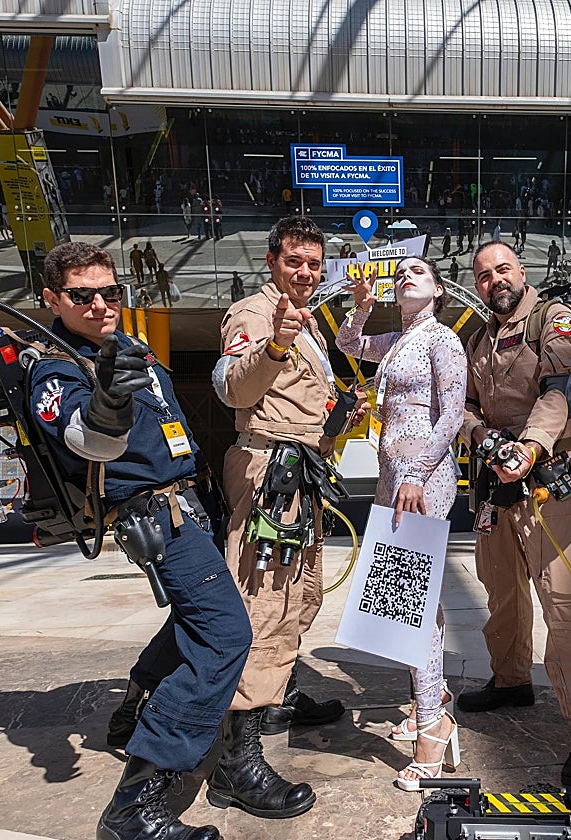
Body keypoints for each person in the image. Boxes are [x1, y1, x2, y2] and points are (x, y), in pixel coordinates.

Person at [30, 241, 251, 840]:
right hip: (155, 515)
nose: (101, 304)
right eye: (83, 295)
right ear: (53, 298)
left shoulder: (131, 349)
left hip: (192, 501)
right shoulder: (55, 365)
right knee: (226, 633)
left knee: (197, 620)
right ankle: (134, 804)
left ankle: (133, 708)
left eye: (111, 292)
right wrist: (107, 399)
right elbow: (87, 441)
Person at [459, 241, 571, 790]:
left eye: (503, 269)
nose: (494, 280)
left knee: (564, 600)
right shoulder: (477, 339)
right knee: (500, 590)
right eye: (483, 275)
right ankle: (510, 680)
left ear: (522, 271)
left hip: (548, 479)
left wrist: (528, 446)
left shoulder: (557, 321)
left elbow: (563, 389)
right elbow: (467, 402)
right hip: (495, 484)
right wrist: (481, 434)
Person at [208, 216, 352, 819]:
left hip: (300, 468)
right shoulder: (255, 316)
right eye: (295, 261)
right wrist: (275, 346)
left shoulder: (310, 318)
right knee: (265, 601)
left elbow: (301, 400)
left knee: (300, 594)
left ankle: (277, 690)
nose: (306, 272)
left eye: (315, 263)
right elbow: (236, 392)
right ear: (272, 262)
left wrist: (340, 411)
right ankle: (235, 760)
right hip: (271, 470)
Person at [337, 256, 466, 791]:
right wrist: (361, 309)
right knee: (405, 598)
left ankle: (433, 724)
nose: (405, 276)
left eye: (418, 271)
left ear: (437, 290)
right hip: (392, 477)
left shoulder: (442, 340)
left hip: (424, 477)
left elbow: (452, 415)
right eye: (401, 272)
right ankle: (432, 701)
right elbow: (348, 345)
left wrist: (415, 471)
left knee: (414, 598)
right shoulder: (395, 341)